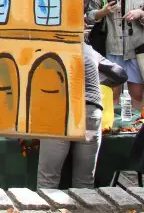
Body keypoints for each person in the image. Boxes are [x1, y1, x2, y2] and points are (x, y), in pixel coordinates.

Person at [36, 44, 127, 189]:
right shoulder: (88, 49)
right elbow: (120, 74)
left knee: (48, 180)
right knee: (84, 181)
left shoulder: (45, 46)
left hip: (59, 114)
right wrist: (98, 79)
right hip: (90, 112)